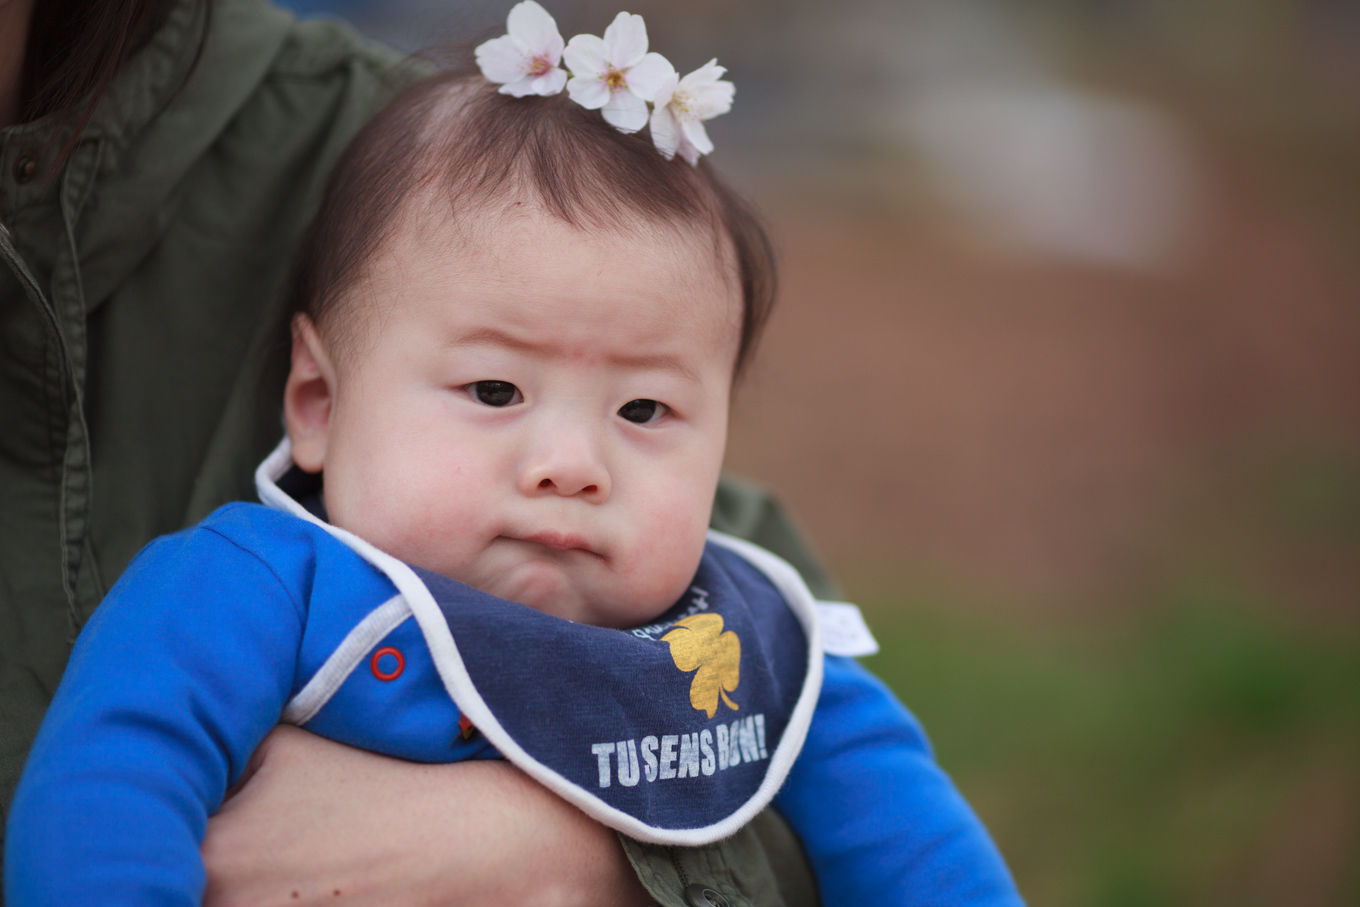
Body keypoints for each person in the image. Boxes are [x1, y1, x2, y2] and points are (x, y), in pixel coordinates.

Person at [7, 8, 1025, 903]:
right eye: (494, 392)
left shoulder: (738, 641)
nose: (570, 463)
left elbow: (918, 851)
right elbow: (106, 790)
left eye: (643, 408)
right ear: (317, 400)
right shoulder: (252, 591)